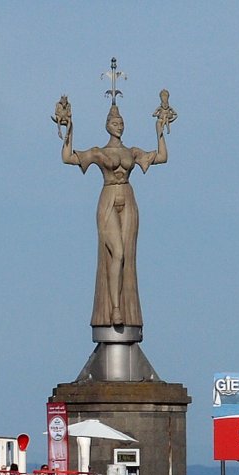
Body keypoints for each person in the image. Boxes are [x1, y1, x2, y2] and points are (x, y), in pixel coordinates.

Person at [61, 94, 170, 327]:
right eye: (114, 123)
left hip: (128, 199)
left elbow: (161, 157)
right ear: (107, 126)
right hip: (109, 198)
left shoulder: (132, 152)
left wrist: (159, 130)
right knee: (117, 253)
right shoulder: (99, 152)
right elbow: (68, 158)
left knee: (127, 256)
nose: (118, 126)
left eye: (121, 123)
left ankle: (126, 308)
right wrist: (69, 129)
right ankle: (115, 309)